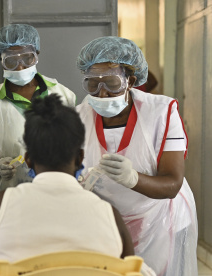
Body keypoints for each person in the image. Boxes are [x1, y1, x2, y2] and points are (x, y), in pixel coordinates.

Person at [0, 94, 135, 276]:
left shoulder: (0, 206)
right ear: (79, 158)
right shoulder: (109, 214)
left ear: (28, 160)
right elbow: (129, 271)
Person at [76, 36, 198, 276]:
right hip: (108, 223)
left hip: (161, 220)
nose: (101, 93)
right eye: (92, 84)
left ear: (130, 80)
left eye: (111, 83)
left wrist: (132, 178)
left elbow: (172, 184)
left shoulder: (162, 113)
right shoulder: (79, 117)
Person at [0, 24, 76, 201]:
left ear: (37, 55)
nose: (20, 67)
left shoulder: (64, 96)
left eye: (27, 58)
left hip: (57, 194)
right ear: (1, 59)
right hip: (11, 197)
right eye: (11, 61)